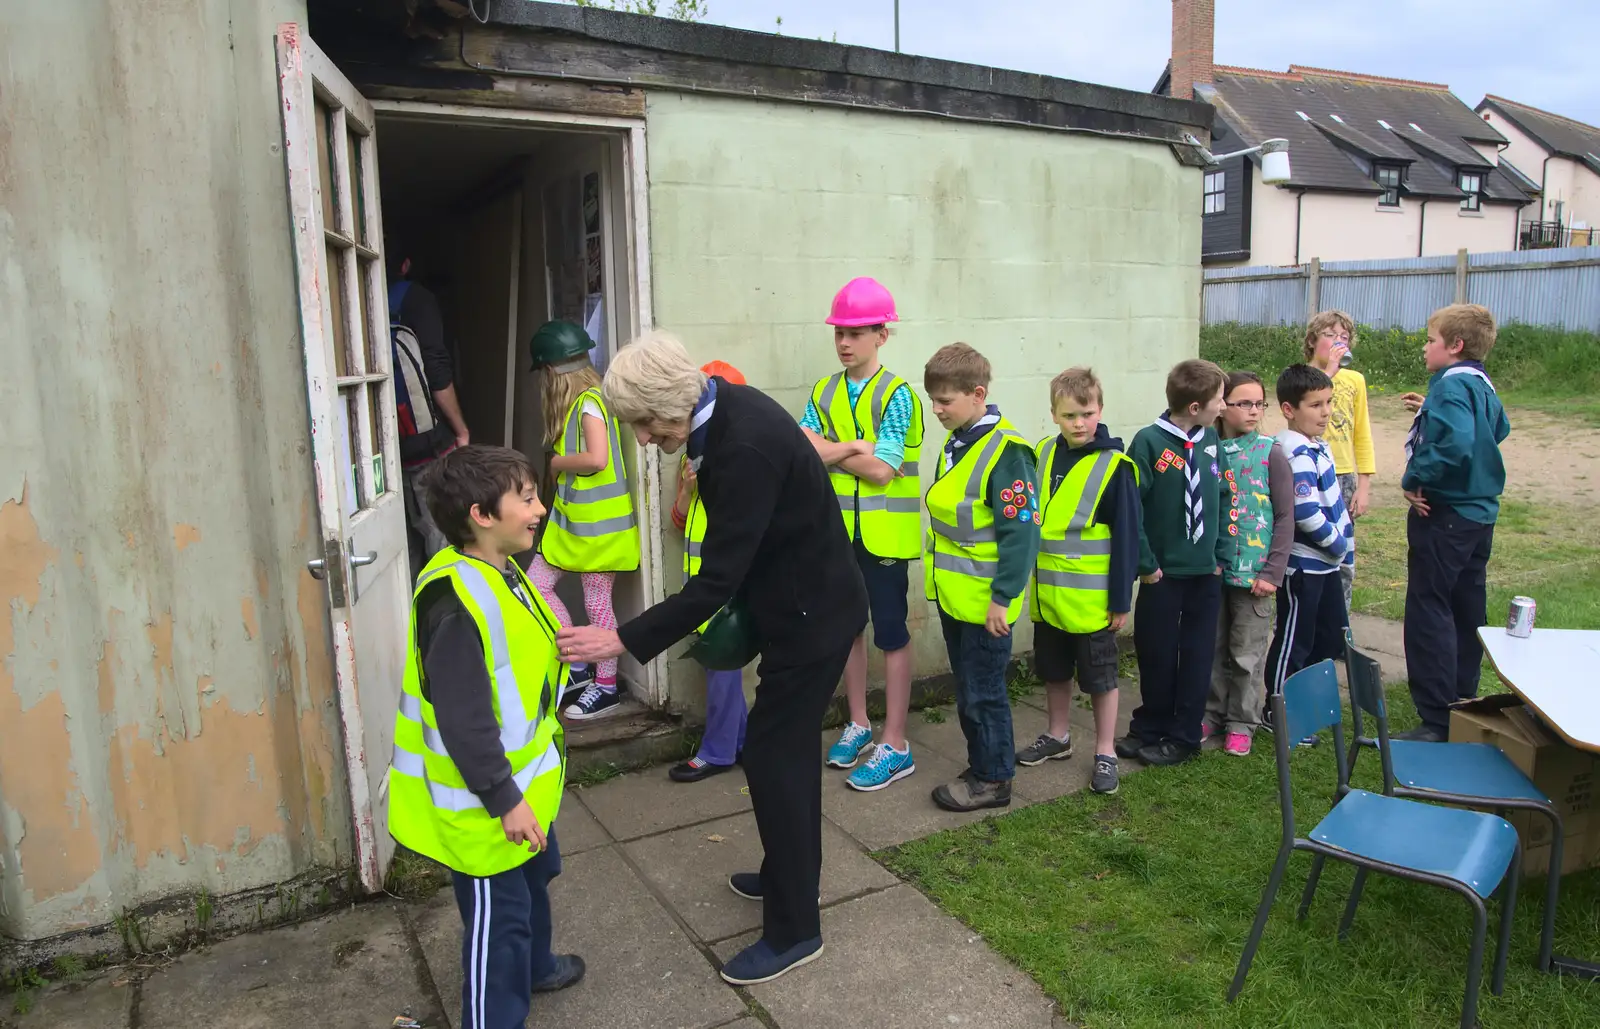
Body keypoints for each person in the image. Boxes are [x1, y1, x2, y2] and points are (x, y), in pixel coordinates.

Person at [556, 332, 868, 987]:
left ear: (669, 404)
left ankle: (795, 928)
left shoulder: (742, 444)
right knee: (776, 755)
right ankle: (787, 874)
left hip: (814, 618)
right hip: (800, 608)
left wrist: (623, 638)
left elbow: (715, 581)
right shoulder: (727, 411)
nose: (642, 438)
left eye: (643, 424)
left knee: (775, 757)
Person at [388, 445, 584, 1029]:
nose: (540, 509)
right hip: (487, 804)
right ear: (481, 515)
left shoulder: (498, 569)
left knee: (535, 884)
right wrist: (504, 799)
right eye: (525, 499)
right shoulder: (453, 601)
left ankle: (535, 967)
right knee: (497, 925)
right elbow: (464, 719)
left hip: (527, 787)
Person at [801, 278, 925, 793]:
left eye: (857, 332)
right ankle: (858, 724)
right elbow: (804, 448)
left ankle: (896, 744)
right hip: (839, 534)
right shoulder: (824, 390)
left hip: (885, 538)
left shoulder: (899, 395)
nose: (845, 342)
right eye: (839, 333)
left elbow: (884, 471)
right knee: (849, 629)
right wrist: (857, 444)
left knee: (890, 634)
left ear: (882, 335)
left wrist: (833, 448)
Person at [922, 343, 1040, 812]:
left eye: (945, 401)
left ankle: (993, 780)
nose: (936, 410)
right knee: (971, 691)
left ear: (977, 394)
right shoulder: (961, 442)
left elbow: (1022, 534)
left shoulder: (1008, 454)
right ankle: (983, 764)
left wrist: (1003, 598)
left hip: (986, 605)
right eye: (933, 400)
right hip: (958, 598)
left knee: (984, 694)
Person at [1015, 367, 1139, 795]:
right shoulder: (1044, 454)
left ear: (1099, 410)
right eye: (1069, 416)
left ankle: (1105, 751)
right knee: (1053, 671)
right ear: (1053, 415)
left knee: (1101, 679)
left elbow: (1126, 540)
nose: (1079, 423)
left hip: (1093, 604)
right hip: (1049, 597)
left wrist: (1121, 600)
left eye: (1086, 413)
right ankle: (1058, 736)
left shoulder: (1115, 467)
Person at [1395, 304, 1510, 742]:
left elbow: (1458, 443)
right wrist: (1433, 415)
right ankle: (1463, 699)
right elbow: (1498, 429)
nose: (1426, 347)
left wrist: (1415, 476)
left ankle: (1437, 719)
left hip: (1445, 513)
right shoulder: (1481, 383)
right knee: (1466, 607)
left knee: (1430, 609)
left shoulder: (1448, 385)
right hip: (1479, 514)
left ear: (1455, 346)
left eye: (1430, 339)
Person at [526, 320, 640, 721]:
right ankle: (576, 664)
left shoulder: (590, 403)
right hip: (577, 528)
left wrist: (556, 462)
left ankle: (605, 687)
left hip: (600, 532)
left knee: (596, 602)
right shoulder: (581, 405)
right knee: (536, 586)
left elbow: (597, 459)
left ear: (551, 372)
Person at [1117, 359, 1230, 767]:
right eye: (1220, 399)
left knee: (1197, 655)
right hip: (1161, 574)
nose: (1225, 405)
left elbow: (1225, 496)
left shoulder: (1212, 441)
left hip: (1205, 575)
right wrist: (1146, 564)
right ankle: (1151, 724)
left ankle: (1184, 736)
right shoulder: (1148, 442)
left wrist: (1221, 555)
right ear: (1196, 406)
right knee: (1156, 652)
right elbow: (1134, 509)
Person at [668, 360, 752, 783]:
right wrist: (686, 489)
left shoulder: (743, 458)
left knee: (723, 668)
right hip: (701, 583)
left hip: (727, 583)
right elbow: (680, 522)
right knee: (720, 671)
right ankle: (741, 743)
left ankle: (719, 751)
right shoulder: (695, 454)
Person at [1262, 364, 1353, 747]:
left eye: (1329, 402)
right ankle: (1276, 710)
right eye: (1315, 405)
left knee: (1327, 637)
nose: (1326, 411)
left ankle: (1307, 706)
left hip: (1328, 565)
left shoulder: (1316, 446)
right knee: (1294, 640)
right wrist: (1338, 544)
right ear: (1288, 409)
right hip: (1305, 566)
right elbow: (1305, 511)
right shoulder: (1293, 450)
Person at [1204, 371, 1294, 757]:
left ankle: (1242, 720)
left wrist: (1273, 572)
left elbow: (1286, 517)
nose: (1254, 411)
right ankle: (1212, 712)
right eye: (1244, 403)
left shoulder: (1270, 452)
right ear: (1222, 405)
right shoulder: (1208, 449)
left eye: (1260, 403)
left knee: (1247, 653)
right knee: (1213, 646)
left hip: (1255, 578)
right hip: (1215, 571)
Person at [389, 255, 471, 578]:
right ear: (406, 264)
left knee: (398, 544)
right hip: (426, 445)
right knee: (441, 533)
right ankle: (446, 612)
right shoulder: (415, 300)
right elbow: (436, 371)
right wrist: (460, 430)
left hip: (385, 452)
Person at [1305, 311, 1375, 612]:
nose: (1338, 343)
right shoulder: (1300, 375)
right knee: (1310, 548)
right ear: (1312, 340)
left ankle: (1339, 625)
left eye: (1344, 338)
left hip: (1342, 474)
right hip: (1308, 472)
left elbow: (1362, 433)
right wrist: (1329, 372)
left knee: (1343, 553)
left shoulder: (1355, 380)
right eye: (1331, 336)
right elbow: (1301, 402)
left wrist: (1364, 485)